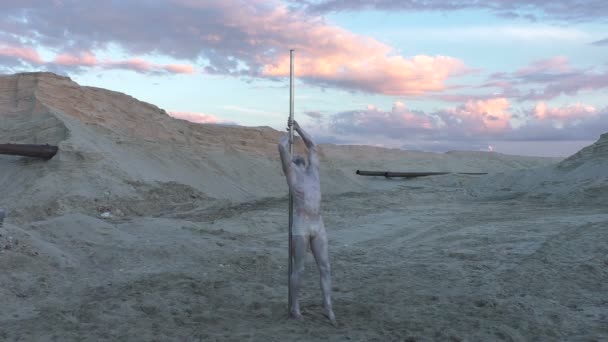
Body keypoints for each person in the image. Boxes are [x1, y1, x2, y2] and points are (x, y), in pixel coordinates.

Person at [278, 120, 336, 324]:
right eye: (294, 158)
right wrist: (287, 138)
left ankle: (328, 306)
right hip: (301, 225)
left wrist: (298, 127)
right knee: (299, 268)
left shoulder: (314, 173)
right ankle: (295, 308)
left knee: (325, 266)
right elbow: (281, 148)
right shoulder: (292, 176)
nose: (298, 157)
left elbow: (312, 146)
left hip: (318, 224)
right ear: (292, 165)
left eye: (298, 157)